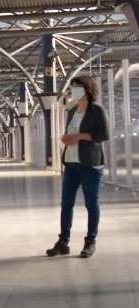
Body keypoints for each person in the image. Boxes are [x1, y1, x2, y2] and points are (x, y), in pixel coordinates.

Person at [46, 75, 109, 258]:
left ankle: (90, 241)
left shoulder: (96, 109)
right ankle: (63, 241)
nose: (73, 90)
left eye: (76, 86)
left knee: (91, 204)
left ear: (86, 88)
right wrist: (65, 137)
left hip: (90, 163)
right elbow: (70, 134)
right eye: (72, 87)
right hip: (71, 163)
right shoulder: (72, 111)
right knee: (66, 204)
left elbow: (103, 134)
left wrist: (80, 136)